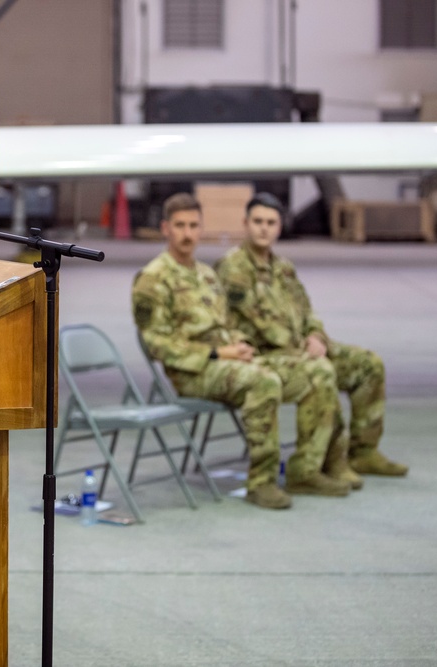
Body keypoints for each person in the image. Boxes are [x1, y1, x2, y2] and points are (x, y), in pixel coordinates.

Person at [132, 193, 352, 510]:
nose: (187, 233)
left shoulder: (206, 275)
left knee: (317, 371)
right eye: (180, 225)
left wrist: (239, 345)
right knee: (264, 382)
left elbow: (225, 323)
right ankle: (260, 483)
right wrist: (219, 354)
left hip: (228, 363)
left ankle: (305, 470)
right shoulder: (152, 279)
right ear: (166, 229)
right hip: (193, 372)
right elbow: (158, 344)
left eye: (194, 225)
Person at [215, 192, 408, 478]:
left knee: (368, 364)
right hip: (262, 356)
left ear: (280, 227)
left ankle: (364, 452)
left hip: (298, 349)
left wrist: (317, 336)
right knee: (320, 371)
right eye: (257, 221)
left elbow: (308, 312)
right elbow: (264, 324)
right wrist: (303, 347)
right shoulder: (234, 268)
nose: (264, 228)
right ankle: (321, 463)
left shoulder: (284, 268)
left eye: (271, 222)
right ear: (245, 223)